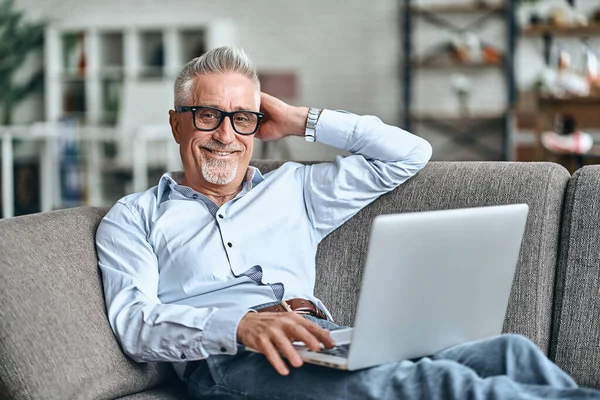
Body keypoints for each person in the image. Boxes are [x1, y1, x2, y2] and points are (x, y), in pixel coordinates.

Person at [96, 46, 600, 400]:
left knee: (509, 354)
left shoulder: (294, 189)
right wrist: (240, 327)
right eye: (207, 115)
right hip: (232, 361)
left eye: (242, 118)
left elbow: (408, 155)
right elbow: (135, 324)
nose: (226, 135)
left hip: (326, 336)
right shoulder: (135, 217)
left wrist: (300, 119)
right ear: (176, 122)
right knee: (434, 389)